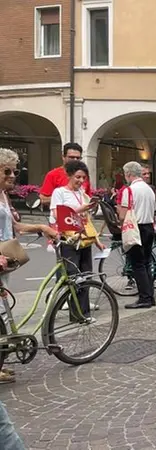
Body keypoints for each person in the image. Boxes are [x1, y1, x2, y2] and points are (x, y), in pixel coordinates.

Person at [0, 148, 58, 384]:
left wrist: (41, 228)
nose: (13, 175)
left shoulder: (3, 195)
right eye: (7, 170)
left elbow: (14, 226)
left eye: (15, 170)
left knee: (2, 312)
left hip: (6, 258)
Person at [49, 160, 106, 322]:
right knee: (74, 277)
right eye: (78, 177)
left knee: (86, 276)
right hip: (68, 240)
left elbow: (87, 220)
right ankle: (76, 314)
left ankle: (84, 313)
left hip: (84, 239)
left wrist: (96, 240)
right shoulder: (59, 192)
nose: (81, 181)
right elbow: (56, 214)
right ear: (69, 175)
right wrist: (81, 209)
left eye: (84, 178)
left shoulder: (82, 193)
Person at [117, 162, 156, 309]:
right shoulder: (149, 190)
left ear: (128, 174)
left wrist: (119, 221)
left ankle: (144, 297)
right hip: (148, 226)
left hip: (136, 228)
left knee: (137, 264)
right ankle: (150, 295)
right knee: (146, 262)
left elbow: (123, 214)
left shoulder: (130, 190)